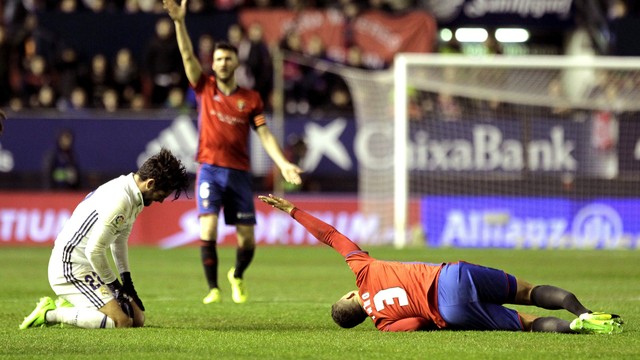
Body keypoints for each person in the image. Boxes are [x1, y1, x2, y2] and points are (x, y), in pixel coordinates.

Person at [258, 194, 625, 334]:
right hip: (450, 274)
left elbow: (416, 323)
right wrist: (293, 210)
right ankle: (585, 311)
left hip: (448, 310)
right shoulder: (363, 270)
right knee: (528, 291)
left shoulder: (383, 324)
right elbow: (332, 236)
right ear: (349, 296)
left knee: (528, 325)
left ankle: (579, 331)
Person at [163, 0, 303, 305]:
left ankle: (236, 275)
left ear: (236, 63)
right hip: (210, 168)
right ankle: (213, 289)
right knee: (208, 227)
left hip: (239, 173)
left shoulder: (251, 99)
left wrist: (283, 163)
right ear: (212, 64)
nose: (223, 63)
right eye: (218, 59)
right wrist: (179, 23)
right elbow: (187, 54)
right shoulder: (203, 87)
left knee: (247, 240)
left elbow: (264, 134)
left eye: (228, 58)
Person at [19, 148, 191, 330]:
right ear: (150, 183)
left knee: (137, 318)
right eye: (161, 195)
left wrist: (127, 283)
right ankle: (51, 313)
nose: (161, 200)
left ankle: (78, 306)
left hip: (89, 267)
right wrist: (115, 287)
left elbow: (120, 240)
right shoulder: (121, 200)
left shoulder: (134, 195)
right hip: (70, 267)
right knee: (122, 322)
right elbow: (93, 251)